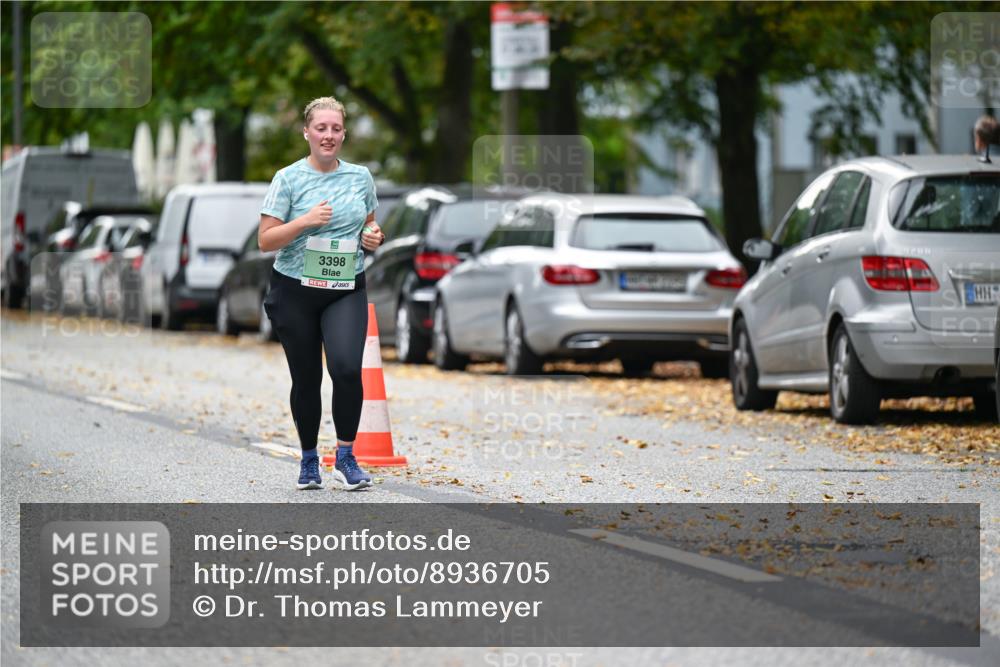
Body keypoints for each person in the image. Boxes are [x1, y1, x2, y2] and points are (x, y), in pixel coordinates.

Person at [258, 96, 386, 491]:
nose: (328, 136)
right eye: (321, 128)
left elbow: (370, 226)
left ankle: (346, 457)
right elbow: (265, 240)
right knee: (307, 376)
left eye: (335, 129)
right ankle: (309, 459)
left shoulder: (360, 177)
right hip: (295, 289)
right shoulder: (288, 178)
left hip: (344, 285)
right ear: (307, 133)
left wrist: (373, 237)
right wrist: (305, 222)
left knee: (347, 368)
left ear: (343, 134)